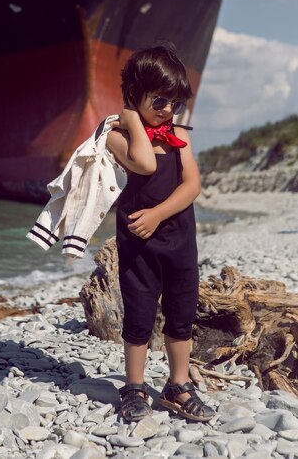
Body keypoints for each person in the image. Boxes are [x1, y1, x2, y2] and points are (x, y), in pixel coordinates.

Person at [106, 43, 215, 423]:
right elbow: (146, 163)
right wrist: (132, 120)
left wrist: (158, 213)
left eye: (176, 103)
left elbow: (192, 186)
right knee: (138, 313)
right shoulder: (117, 137)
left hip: (179, 239)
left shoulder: (179, 137)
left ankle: (178, 384)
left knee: (181, 313)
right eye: (160, 101)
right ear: (135, 95)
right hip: (139, 243)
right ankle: (134, 387)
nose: (169, 110)